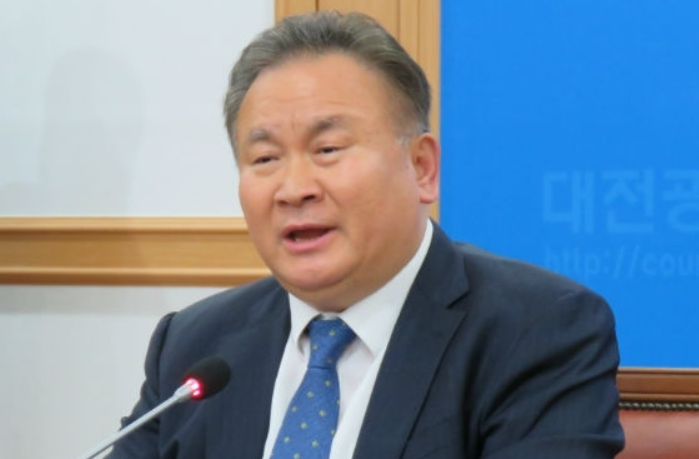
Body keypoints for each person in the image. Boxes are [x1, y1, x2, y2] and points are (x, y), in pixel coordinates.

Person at [107, 11, 624, 459]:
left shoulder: (536, 332)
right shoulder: (196, 345)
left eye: (328, 150)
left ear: (421, 167)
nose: (294, 188)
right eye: (264, 158)